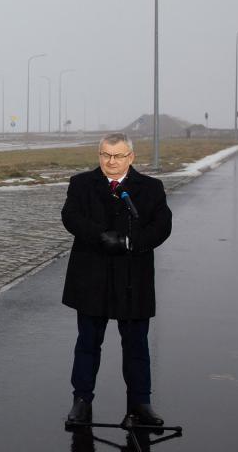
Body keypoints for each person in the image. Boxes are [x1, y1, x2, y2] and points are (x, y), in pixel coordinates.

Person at [62, 133, 172, 427]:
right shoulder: (81, 184)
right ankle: (81, 401)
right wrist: (101, 236)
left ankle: (140, 404)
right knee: (88, 342)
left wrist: (129, 242)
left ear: (130, 157)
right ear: (99, 155)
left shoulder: (151, 188)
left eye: (118, 156)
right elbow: (70, 216)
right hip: (91, 275)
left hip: (133, 277)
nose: (111, 161)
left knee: (136, 344)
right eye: (105, 155)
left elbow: (162, 226)